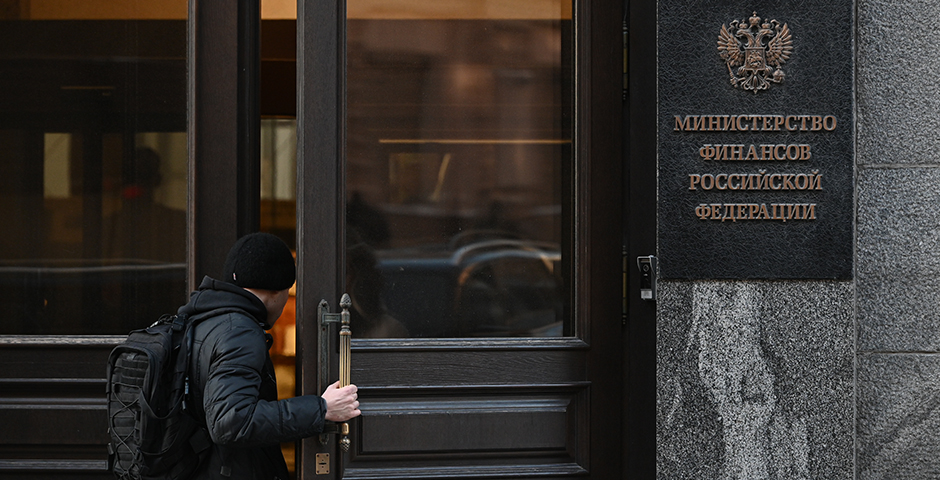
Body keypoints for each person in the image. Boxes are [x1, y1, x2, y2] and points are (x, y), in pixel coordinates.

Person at [181, 232, 360, 479]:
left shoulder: (202, 319)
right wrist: (321, 409)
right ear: (277, 292)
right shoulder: (240, 332)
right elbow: (231, 422)